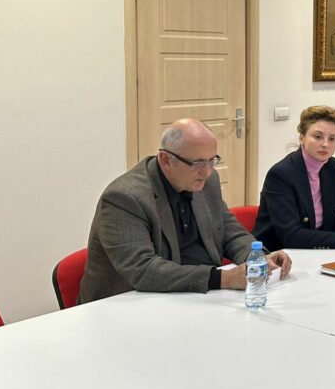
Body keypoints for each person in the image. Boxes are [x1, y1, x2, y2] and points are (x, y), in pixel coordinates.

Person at [80, 118, 291, 303]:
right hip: (130, 305)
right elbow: (143, 270)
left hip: (196, 297)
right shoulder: (125, 197)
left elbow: (228, 230)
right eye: (198, 163)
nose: (207, 172)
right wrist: (223, 279)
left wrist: (257, 258)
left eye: (212, 161)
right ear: (166, 160)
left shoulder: (206, 181)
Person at [253, 106, 335, 251]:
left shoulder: (331, 166)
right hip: (279, 253)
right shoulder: (281, 174)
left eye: (332, 139)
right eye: (317, 137)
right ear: (302, 137)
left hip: (318, 249)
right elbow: (291, 235)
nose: (325, 144)